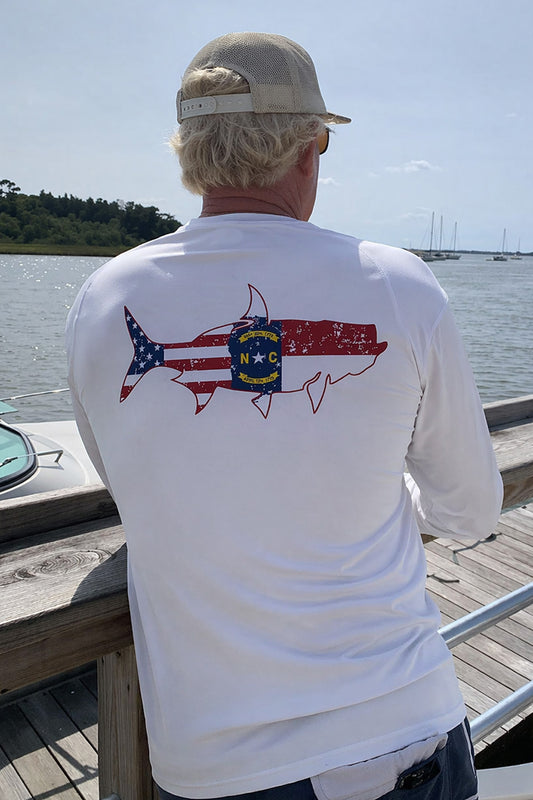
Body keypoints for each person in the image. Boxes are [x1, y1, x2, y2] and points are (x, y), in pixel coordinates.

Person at [66, 31, 503, 800]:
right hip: (400, 732)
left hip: (212, 764)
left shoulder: (104, 299)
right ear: (308, 151)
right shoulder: (398, 285)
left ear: (189, 153)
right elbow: (468, 512)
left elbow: (133, 485)